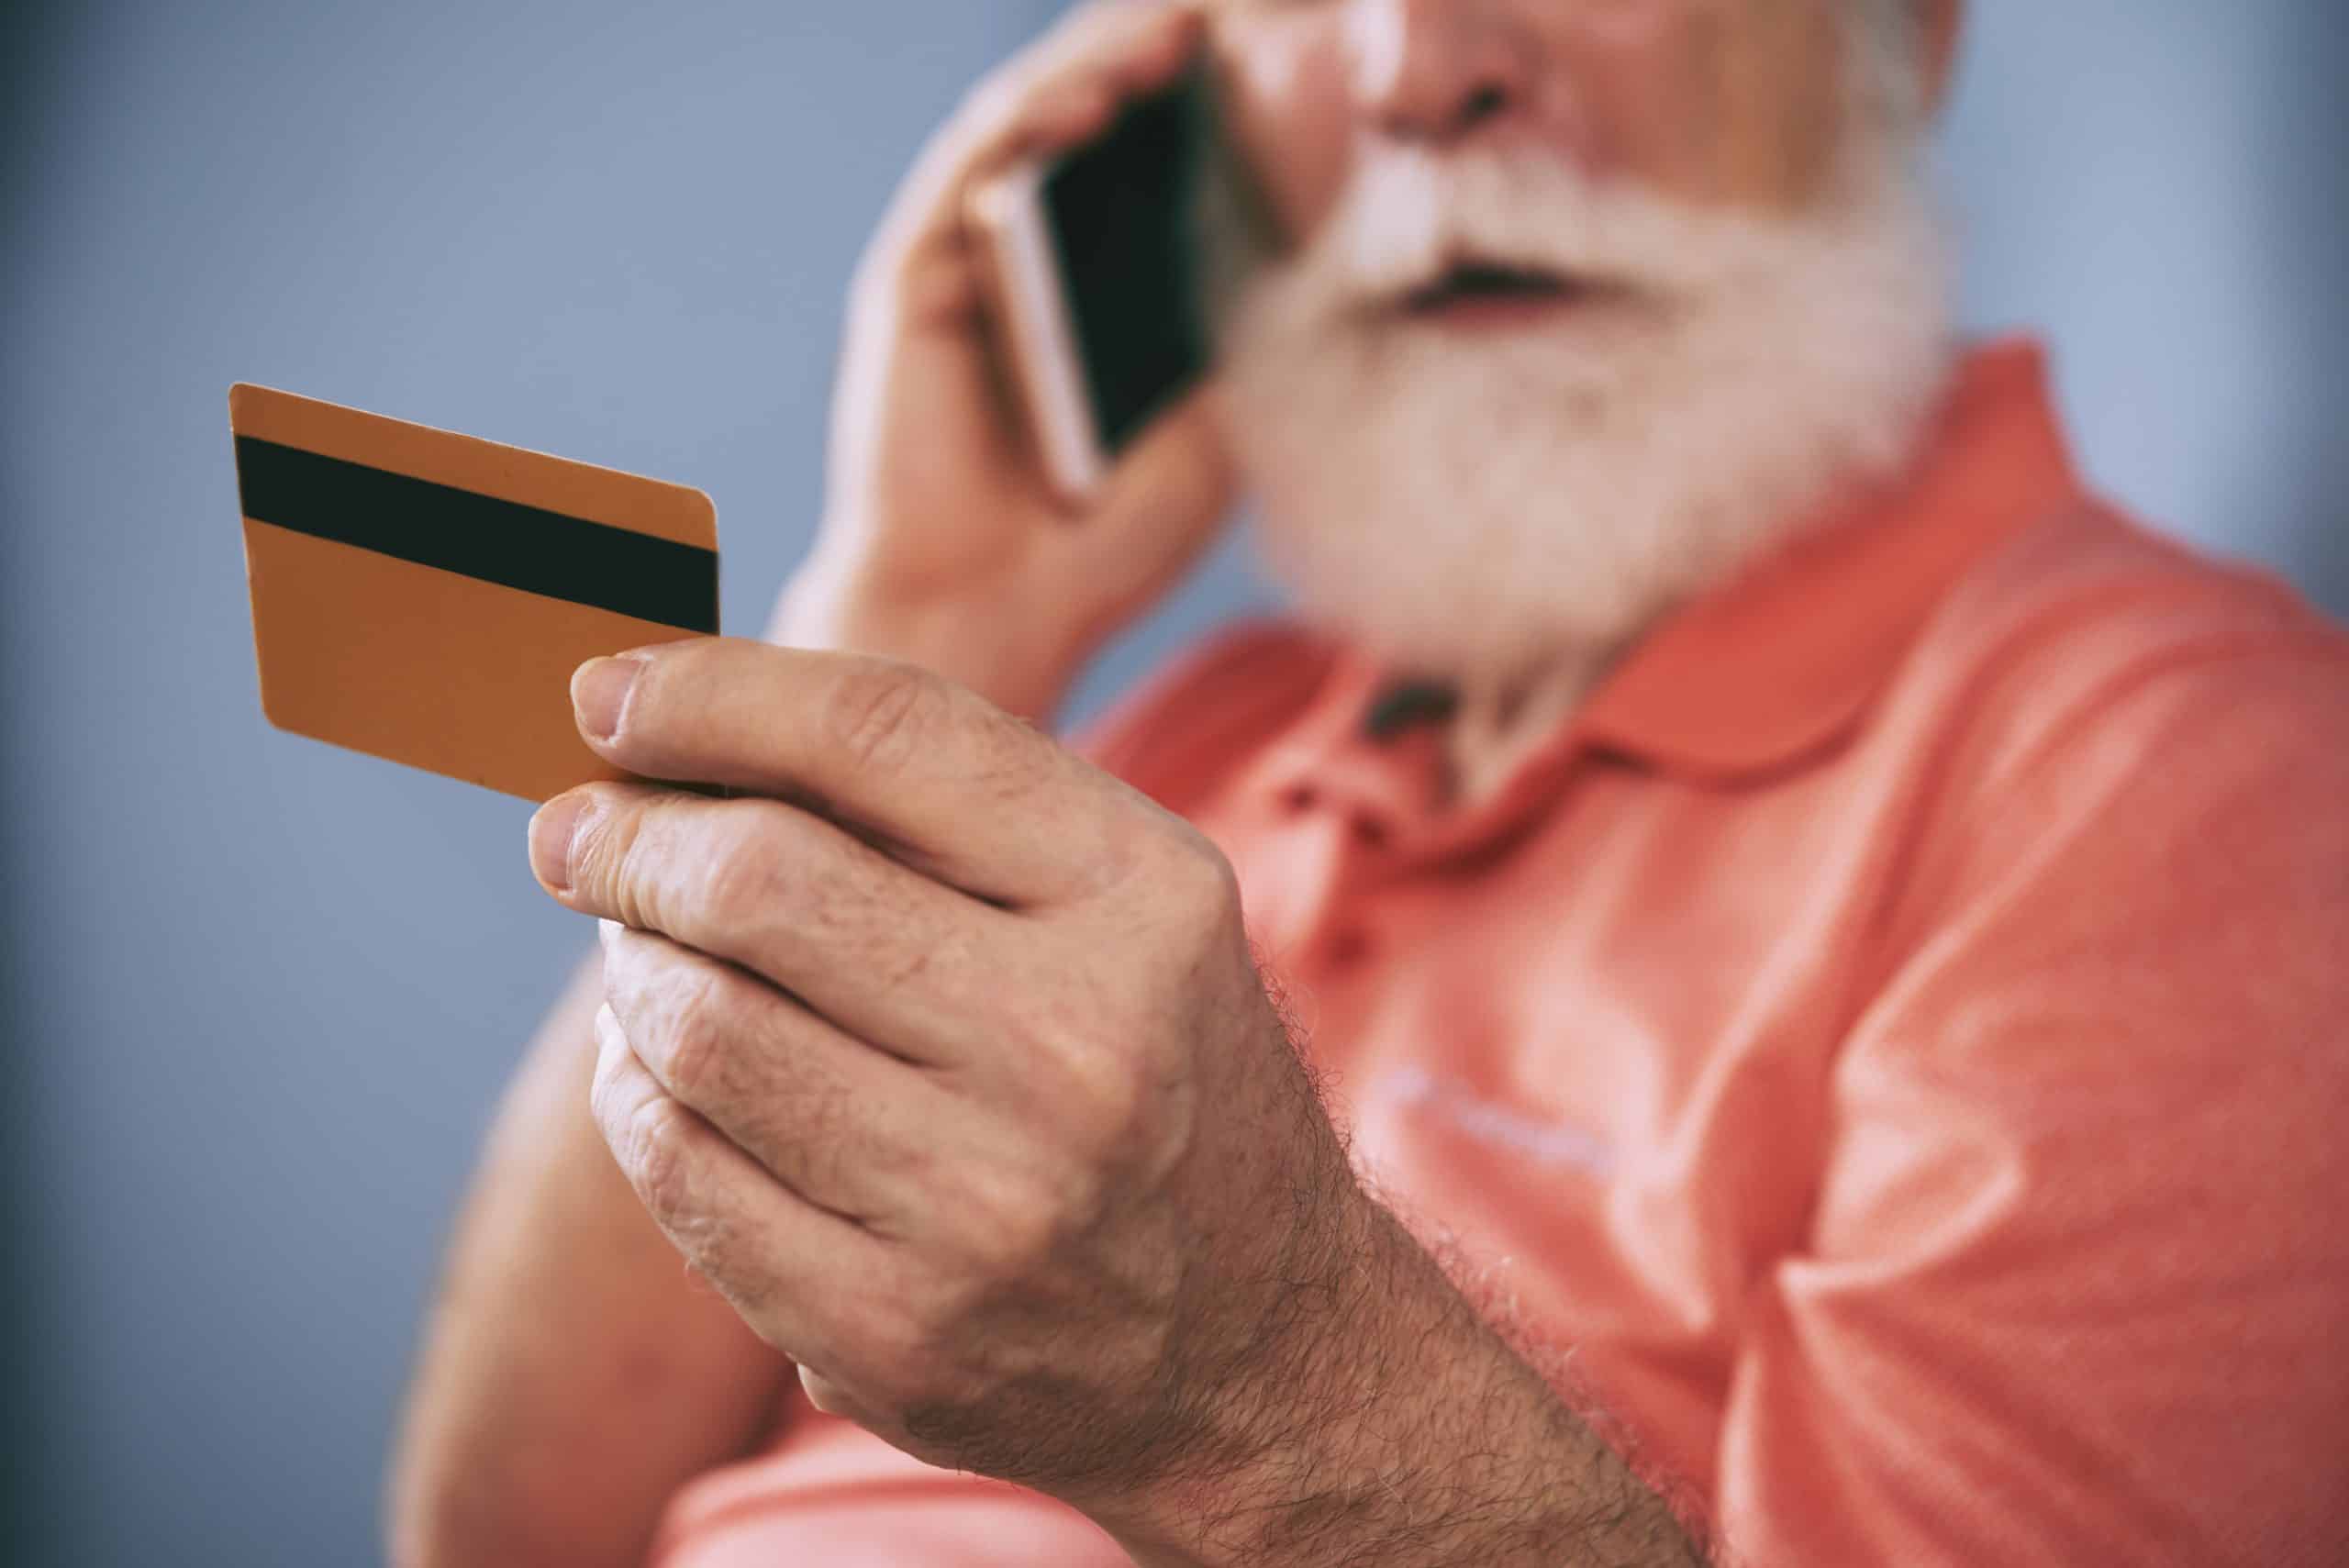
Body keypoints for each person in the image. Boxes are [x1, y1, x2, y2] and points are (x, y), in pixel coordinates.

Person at [385, 1, 2349, 1563]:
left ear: (1898, 35)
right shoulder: (1195, 735)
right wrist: (920, 605)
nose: (1420, 66)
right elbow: (492, 1536)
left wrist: (1254, 1384)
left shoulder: (2187, 785)